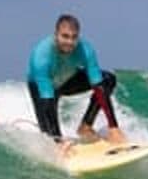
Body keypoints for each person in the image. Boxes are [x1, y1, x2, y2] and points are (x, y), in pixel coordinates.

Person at [27, 14, 126, 149]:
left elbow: (98, 86)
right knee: (49, 136)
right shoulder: (41, 55)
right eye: (65, 36)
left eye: (74, 37)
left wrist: (113, 126)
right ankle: (58, 143)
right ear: (56, 34)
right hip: (40, 89)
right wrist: (58, 141)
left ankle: (86, 126)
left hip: (67, 81)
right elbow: (47, 100)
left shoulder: (85, 50)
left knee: (107, 79)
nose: (70, 42)